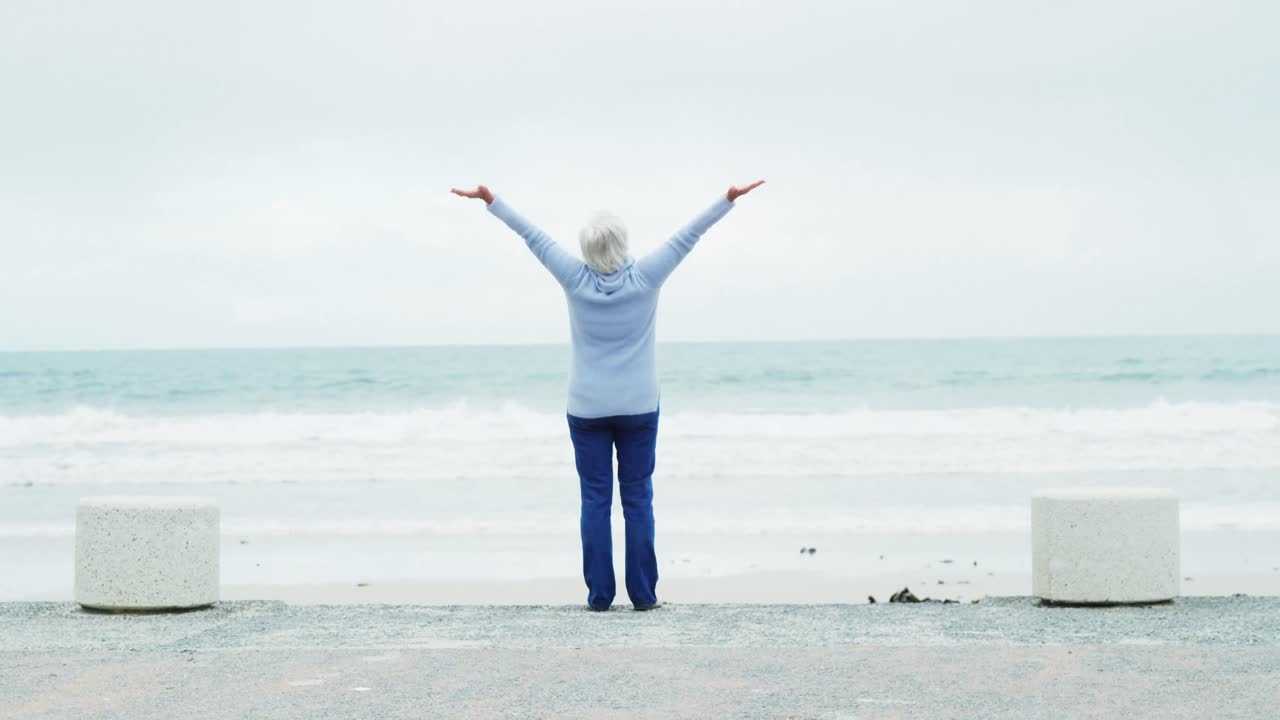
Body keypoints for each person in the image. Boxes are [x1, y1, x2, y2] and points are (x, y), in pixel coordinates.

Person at [450, 179, 766, 611]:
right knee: (637, 498)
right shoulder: (647, 277)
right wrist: (726, 200)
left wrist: (492, 201)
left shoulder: (574, 277)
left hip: (587, 407)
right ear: (622, 243)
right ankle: (643, 596)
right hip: (638, 406)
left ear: (587, 248)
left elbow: (532, 235)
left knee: (595, 500)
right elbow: (689, 235)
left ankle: (599, 597)